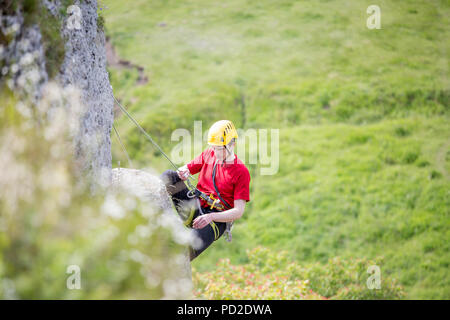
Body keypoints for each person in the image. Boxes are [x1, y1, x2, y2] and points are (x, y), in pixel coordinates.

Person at [160, 120, 251, 261]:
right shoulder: (210, 154)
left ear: (232, 144)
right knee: (169, 176)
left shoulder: (241, 172)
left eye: (219, 148)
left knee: (186, 250)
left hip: (214, 220)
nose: (215, 151)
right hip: (195, 208)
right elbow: (185, 169)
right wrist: (183, 172)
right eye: (213, 147)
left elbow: (238, 211)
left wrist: (210, 217)